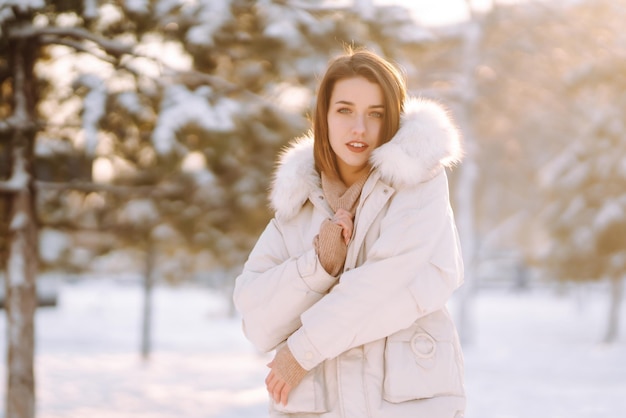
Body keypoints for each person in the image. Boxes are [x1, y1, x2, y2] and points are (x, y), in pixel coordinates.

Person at [233, 48, 466, 418]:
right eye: (344, 110)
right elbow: (255, 318)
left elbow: (383, 283)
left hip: (406, 403)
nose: (360, 128)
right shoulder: (298, 203)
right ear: (322, 117)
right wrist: (319, 266)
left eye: (376, 114)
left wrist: (301, 350)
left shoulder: (418, 181)